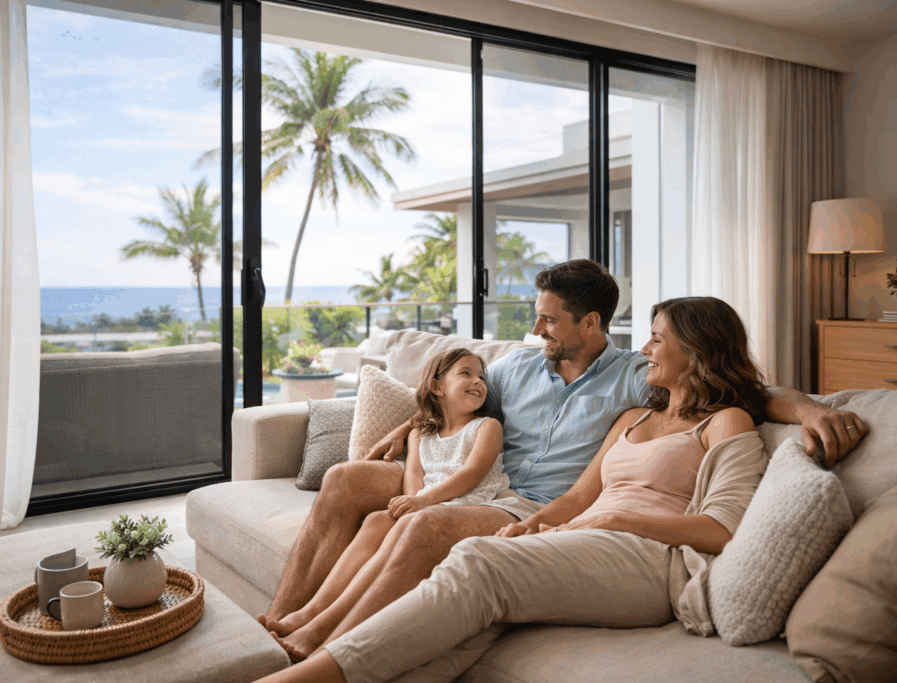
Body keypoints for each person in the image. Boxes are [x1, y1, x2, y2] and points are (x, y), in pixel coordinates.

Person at [257, 260, 867, 663]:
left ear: (591, 322)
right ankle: (281, 618)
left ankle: (320, 645)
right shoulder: (516, 365)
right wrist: (405, 430)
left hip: (525, 502)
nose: (537, 326)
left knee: (422, 522)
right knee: (344, 479)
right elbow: (452, 394)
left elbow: (744, 392)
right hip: (471, 469)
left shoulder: (635, 376)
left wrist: (812, 410)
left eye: (549, 318)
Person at [267, 348, 509, 661]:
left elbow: (471, 475)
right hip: (430, 502)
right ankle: (309, 612)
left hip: (471, 502)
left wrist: (422, 503)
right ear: (436, 387)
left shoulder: (487, 426)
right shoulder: (421, 433)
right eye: (466, 373)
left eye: (481, 377)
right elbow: (414, 474)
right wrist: (409, 504)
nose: (478, 381)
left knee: (402, 523)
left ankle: (319, 627)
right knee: (377, 521)